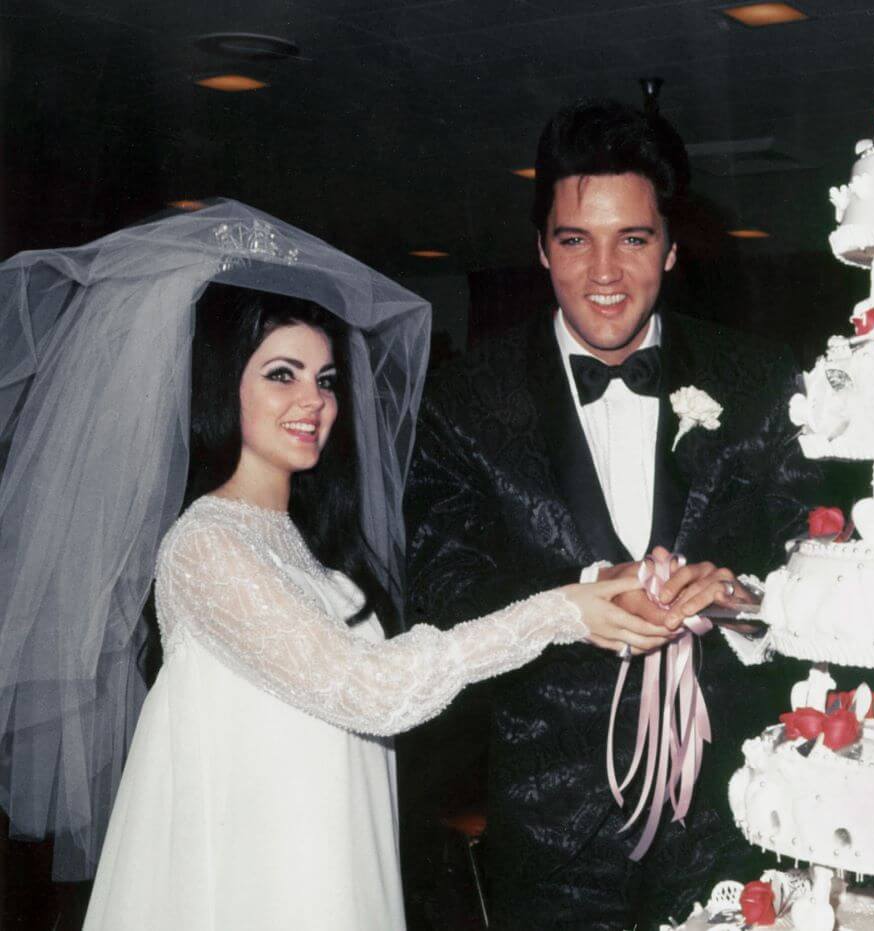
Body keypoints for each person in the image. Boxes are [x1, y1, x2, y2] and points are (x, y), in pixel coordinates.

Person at [0, 201, 676, 931]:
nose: (313, 402)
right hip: (259, 880)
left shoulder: (304, 540)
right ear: (223, 386)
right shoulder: (203, 546)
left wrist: (588, 590)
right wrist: (559, 611)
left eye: (324, 380)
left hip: (331, 852)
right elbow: (374, 691)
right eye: (281, 375)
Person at [405, 99, 822, 929]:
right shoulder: (464, 400)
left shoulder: (764, 380)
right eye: (574, 240)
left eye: (632, 238)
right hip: (547, 825)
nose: (604, 272)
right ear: (540, 249)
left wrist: (743, 601)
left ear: (670, 247)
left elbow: (822, 559)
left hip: (730, 821)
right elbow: (440, 588)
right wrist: (578, 599)